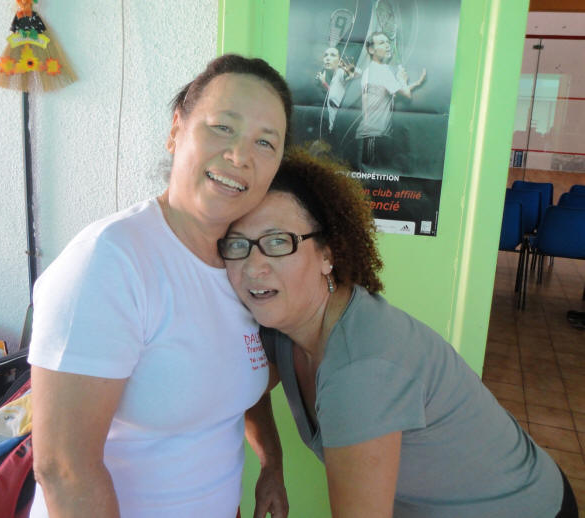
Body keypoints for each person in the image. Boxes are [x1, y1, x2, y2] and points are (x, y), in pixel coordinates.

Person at [220, 149, 579, 517]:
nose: (253, 266)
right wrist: (271, 464)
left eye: (278, 241)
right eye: (237, 244)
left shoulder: (361, 370)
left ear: (327, 255)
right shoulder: (281, 325)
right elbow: (247, 387)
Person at [28, 54, 293, 518]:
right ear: (176, 130)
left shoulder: (244, 264)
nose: (240, 156)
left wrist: (271, 461)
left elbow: (235, 378)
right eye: (223, 127)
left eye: (265, 142)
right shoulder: (111, 262)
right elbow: (64, 469)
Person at [355, 32, 426, 170]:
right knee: (372, 176)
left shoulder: (371, 70)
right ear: (371, 49)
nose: (387, 45)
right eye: (382, 43)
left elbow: (392, 95)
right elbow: (406, 95)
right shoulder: (382, 71)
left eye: (388, 42)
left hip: (372, 135)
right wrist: (402, 79)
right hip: (374, 135)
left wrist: (415, 84)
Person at [315, 47, 360, 134]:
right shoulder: (334, 77)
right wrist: (324, 83)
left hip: (340, 128)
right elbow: (334, 94)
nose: (327, 58)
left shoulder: (340, 72)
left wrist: (351, 72)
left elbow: (356, 73)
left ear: (340, 61)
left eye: (332, 55)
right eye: (325, 55)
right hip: (334, 129)